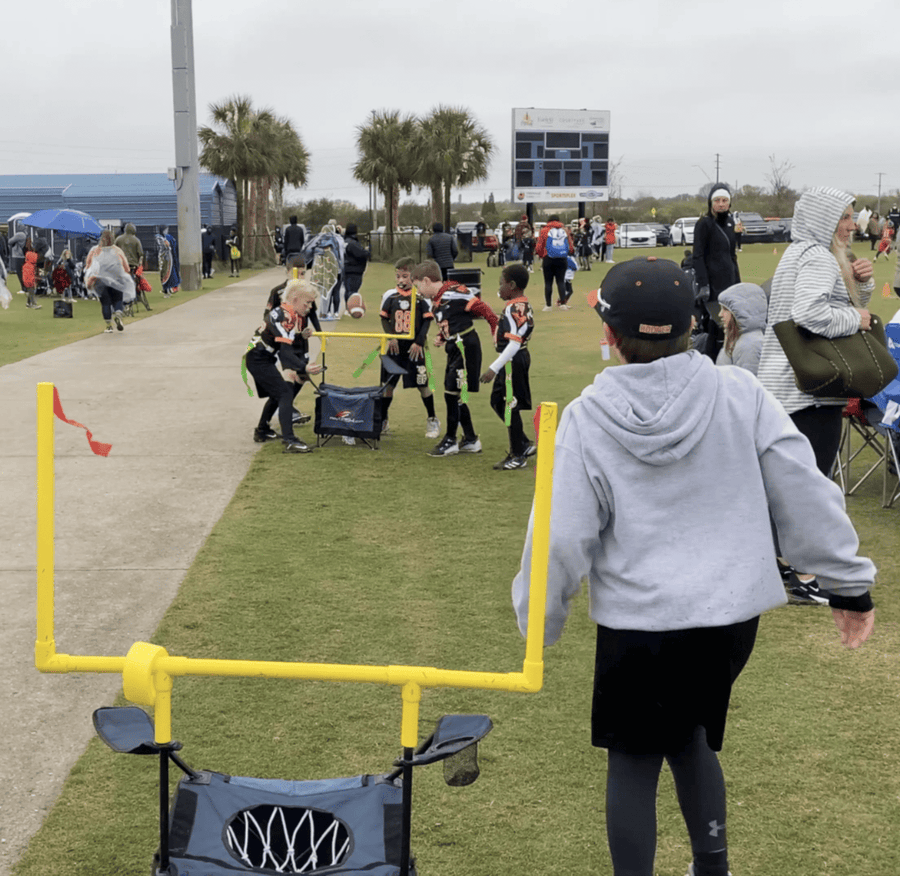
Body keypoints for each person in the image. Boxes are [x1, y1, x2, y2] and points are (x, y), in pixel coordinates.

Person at [511, 257, 875, 876]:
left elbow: (560, 536)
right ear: (693, 326)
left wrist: (538, 624)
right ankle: (712, 867)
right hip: (726, 623)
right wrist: (847, 584)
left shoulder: (587, 416)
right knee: (689, 735)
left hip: (641, 627)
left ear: (608, 335)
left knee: (633, 758)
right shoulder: (739, 393)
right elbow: (804, 489)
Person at [757, 186, 875, 605]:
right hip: (810, 389)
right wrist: (858, 317)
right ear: (825, 218)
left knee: (786, 484)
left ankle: (785, 565)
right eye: (844, 216)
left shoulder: (797, 253)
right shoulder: (819, 257)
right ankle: (806, 576)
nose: (851, 225)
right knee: (811, 486)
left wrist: (864, 284)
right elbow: (811, 314)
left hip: (782, 387)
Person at [411, 259, 499, 457]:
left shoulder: (456, 293)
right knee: (454, 394)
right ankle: (470, 439)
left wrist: (495, 327)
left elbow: (483, 309)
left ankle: (451, 439)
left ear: (426, 280)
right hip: (454, 347)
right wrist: (442, 336)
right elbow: (451, 319)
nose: (418, 292)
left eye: (418, 287)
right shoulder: (437, 300)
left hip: (466, 348)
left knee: (451, 393)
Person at [244, 279, 323, 454]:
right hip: (258, 359)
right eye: (307, 302)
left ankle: (262, 430)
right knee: (285, 392)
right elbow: (286, 353)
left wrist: (300, 337)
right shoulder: (286, 316)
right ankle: (290, 440)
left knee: (278, 393)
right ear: (294, 299)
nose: (310, 307)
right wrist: (304, 367)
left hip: (259, 357)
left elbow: (284, 341)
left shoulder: (285, 313)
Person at [480, 264, 536, 470]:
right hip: (512, 359)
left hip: (513, 360)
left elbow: (514, 343)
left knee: (509, 405)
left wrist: (493, 368)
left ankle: (517, 455)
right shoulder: (520, 305)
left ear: (512, 285)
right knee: (498, 401)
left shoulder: (513, 308)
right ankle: (523, 442)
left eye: (501, 284)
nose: (499, 288)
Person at [378, 256, 440, 438]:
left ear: (413, 277)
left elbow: (427, 321)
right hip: (394, 348)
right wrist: (391, 338)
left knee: (423, 385)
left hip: (414, 348)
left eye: (405, 276)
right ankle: (383, 420)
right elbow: (384, 318)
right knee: (387, 386)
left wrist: (419, 342)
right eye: (398, 276)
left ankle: (432, 419)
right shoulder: (390, 295)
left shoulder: (421, 297)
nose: (401, 280)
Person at [693, 186, 740, 361]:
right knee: (721, 326)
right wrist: (703, 284)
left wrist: (738, 283)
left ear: (729, 203)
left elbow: (732, 255)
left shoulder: (730, 223)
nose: (721, 204)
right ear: (711, 203)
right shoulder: (704, 223)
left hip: (729, 283)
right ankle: (713, 360)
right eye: (717, 200)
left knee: (722, 328)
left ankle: (713, 361)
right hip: (712, 286)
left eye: (724, 200)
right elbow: (697, 256)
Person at [84, 229, 134, 332]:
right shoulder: (117, 250)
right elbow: (126, 266)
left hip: (100, 281)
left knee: (105, 302)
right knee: (118, 299)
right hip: (117, 279)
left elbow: (88, 264)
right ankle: (118, 314)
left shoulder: (95, 250)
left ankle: (109, 326)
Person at [714, 282, 767, 375]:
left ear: (742, 311)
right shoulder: (739, 339)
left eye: (725, 309)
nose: (720, 314)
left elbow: (747, 385)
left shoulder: (750, 345)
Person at [534, 215, 574, 312]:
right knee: (561, 281)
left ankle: (548, 305)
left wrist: (541, 255)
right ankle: (563, 304)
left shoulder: (544, 230)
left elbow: (540, 245)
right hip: (562, 258)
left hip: (548, 258)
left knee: (548, 282)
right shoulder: (564, 229)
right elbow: (570, 245)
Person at [115, 223, 150, 311]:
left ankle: (122, 303)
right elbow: (140, 254)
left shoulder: (119, 239)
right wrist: (140, 265)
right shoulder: (136, 240)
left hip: (122, 266)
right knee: (136, 285)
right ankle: (142, 303)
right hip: (133, 266)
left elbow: (114, 250)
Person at [342, 223, 370, 306]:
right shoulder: (352, 243)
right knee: (352, 291)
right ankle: (350, 307)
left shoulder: (344, 241)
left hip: (347, 268)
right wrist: (367, 252)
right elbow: (361, 254)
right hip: (354, 269)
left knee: (348, 290)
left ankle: (348, 307)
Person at [157, 226, 181, 297]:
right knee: (165, 274)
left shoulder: (166, 237)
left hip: (166, 258)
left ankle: (168, 290)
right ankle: (166, 290)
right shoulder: (162, 238)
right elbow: (168, 245)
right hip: (166, 259)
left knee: (167, 274)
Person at [21, 238, 42, 309]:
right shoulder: (31, 266)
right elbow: (31, 275)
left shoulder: (26, 265)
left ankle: (28, 303)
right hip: (30, 281)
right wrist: (34, 281)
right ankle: (33, 304)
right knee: (32, 292)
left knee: (30, 292)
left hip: (27, 281)